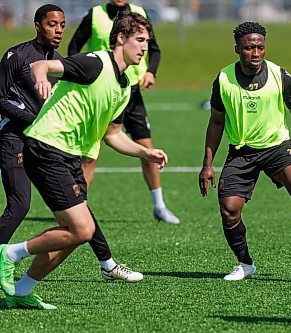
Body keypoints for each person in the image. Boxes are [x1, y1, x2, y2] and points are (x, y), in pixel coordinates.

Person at [0, 12, 167, 309]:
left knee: (75, 233)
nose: (144, 48)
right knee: (82, 230)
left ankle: (22, 291)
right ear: (120, 38)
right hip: (47, 146)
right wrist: (41, 80)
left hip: (70, 156)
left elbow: (113, 135)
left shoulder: (124, 86)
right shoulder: (95, 63)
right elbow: (42, 64)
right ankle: (9, 254)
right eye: (139, 40)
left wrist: (146, 153)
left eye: (147, 42)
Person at [199, 22, 291, 281]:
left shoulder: (279, 75)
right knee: (229, 210)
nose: (256, 52)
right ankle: (245, 263)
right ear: (237, 48)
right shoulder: (224, 79)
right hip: (241, 152)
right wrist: (207, 164)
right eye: (249, 47)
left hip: (277, 147)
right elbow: (216, 122)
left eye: (260, 47)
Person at [68, 0, 179, 224]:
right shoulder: (95, 15)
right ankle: (79, 209)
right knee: (91, 153)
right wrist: (82, 75)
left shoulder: (139, 13)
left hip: (132, 91)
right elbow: (74, 48)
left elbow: (154, 49)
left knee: (147, 149)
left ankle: (159, 206)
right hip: (101, 92)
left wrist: (151, 72)